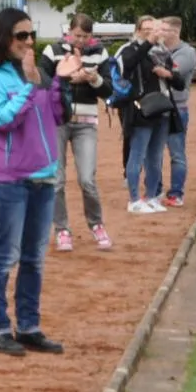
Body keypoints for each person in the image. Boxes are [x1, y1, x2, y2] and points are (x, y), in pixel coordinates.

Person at [0, 9, 79, 357]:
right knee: (5, 258)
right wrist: (30, 87)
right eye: (21, 35)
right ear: (3, 38)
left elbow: (58, 116)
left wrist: (59, 82)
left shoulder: (35, 71)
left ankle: (29, 327)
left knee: (34, 259)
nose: (29, 41)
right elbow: (1, 120)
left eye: (31, 35)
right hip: (8, 180)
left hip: (44, 177)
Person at [47, 14, 112, 253]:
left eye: (85, 36)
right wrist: (64, 77)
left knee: (87, 179)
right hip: (57, 121)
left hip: (86, 122)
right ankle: (62, 229)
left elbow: (108, 90)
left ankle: (97, 224)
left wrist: (94, 78)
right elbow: (42, 83)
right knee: (56, 180)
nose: (81, 40)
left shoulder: (100, 54)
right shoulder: (53, 51)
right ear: (69, 31)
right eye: (77, 35)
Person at [114, 17, 182, 214]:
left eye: (154, 29)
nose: (151, 32)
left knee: (155, 156)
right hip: (140, 110)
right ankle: (134, 199)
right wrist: (148, 43)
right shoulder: (130, 49)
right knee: (137, 154)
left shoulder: (162, 52)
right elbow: (127, 66)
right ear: (137, 30)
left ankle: (152, 196)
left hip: (163, 109)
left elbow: (179, 82)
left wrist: (168, 74)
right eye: (146, 29)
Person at [157, 16, 196, 208]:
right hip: (157, 106)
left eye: (164, 30)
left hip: (176, 108)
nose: (159, 33)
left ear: (175, 32)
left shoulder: (186, 52)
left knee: (176, 152)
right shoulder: (159, 49)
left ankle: (176, 193)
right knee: (153, 152)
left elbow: (173, 73)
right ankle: (155, 190)